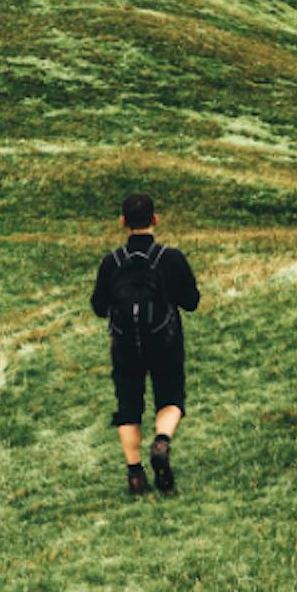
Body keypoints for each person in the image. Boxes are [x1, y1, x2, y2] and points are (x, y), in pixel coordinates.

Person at [91, 192, 201, 495]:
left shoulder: (111, 262)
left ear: (123, 222)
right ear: (155, 219)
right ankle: (162, 441)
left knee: (128, 406)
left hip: (125, 347)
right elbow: (191, 302)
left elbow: (99, 307)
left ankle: (135, 475)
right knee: (170, 397)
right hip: (166, 343)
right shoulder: (172, 258)